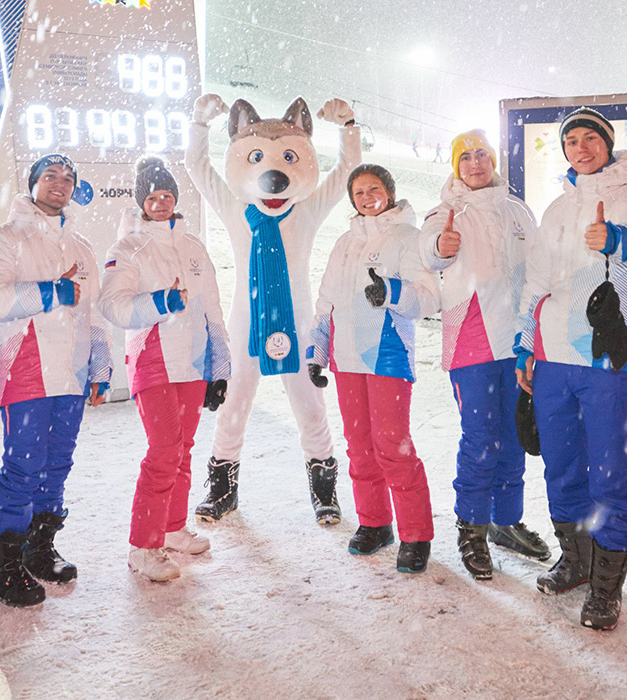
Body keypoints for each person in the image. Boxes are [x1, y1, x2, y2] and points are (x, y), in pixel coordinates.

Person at [515, 108, 627, 630]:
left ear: (608, 143)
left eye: (590, 139)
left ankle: (608, 587)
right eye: (572, 141)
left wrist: (618, 239)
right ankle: (578, 561)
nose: (581, 149)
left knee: (612, 473)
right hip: (553, 359)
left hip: (607, 358)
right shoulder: (558, 207)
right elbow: (536, 279)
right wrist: (525, 345)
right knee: (561, 466)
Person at [184, 94, 360, 525]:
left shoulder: (308, 209)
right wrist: (199, 125)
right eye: (259, 158)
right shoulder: (235, 208)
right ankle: (222, 490)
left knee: (311, 409)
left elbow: (346, 173)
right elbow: (197, 168)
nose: (273, 174)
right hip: (246, 324)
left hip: (298, 325)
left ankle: (325, 492)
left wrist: (349, 125)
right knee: (234, 406)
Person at [0, 154, 113, 607]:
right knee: (23, 465)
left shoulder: (81, 244)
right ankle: (3, 563)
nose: (60, 184)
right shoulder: (5, 238)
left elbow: (91, 313)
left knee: (57, 462)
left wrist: (100, 364)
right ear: (32, 183)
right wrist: (49, 292)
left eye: (68, 178)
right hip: (26, 367)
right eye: (50, 176)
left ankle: (38, 545)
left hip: (70, 370)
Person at [420, 129, 549, 582]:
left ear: (492, 160)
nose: (475, 163)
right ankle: (471, 528)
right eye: (466, 157)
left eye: (482, 155)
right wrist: (441, 248)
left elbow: (539, 268)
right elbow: (430, 252)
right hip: (471, 340)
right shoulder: (444, 212)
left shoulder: (517, 211)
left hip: (516, 340)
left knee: (514, 435)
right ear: (455, 166)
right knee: (480, 438)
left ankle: (505, 520)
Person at [98, 156, 231, 582]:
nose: (160, 203)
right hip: (152, 358)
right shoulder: (127, 248)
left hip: (192, 361)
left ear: (176, 199)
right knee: (163, 450)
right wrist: (162, 303)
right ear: (141, 202)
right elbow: (113, 306)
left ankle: (173, 528)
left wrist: (220, 365)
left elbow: (212, 309)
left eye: (166, 196)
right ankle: (144, 544)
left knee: (184, 447)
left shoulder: (193, 248)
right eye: (152, 197)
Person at [308, 164, 438, 573]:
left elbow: (429, 298)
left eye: (374, 188)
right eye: (359, 191)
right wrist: (316, 352)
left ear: (390, 192)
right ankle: (375, 522)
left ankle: (416, 534)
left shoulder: (408, 238)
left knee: (393, 445)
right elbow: (326, 301)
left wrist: (392, 292)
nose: (366, 197)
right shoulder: (345, 242)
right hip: (345, 359)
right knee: (359, 445)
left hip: (387, 354)